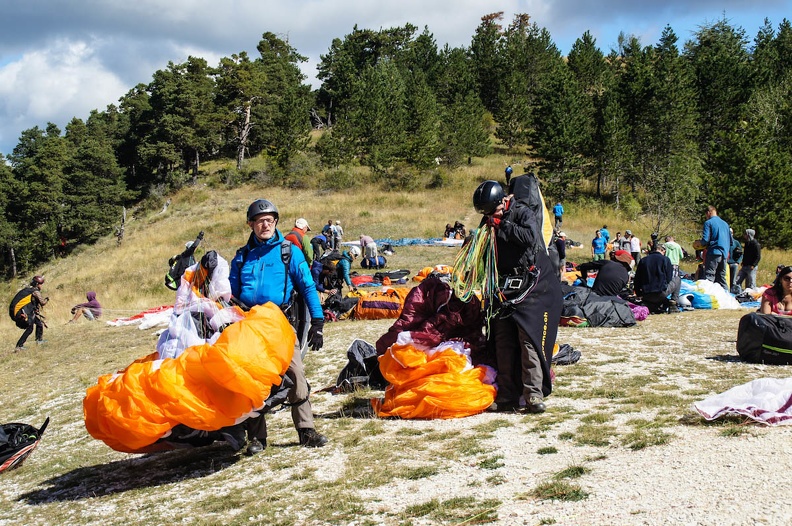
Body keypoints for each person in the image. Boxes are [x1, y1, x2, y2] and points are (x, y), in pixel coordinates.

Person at [229, 199, 328, 454]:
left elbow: (307, 286)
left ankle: (306, 430)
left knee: (295, 374)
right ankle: (257, 438)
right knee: (252, 380)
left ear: (276, 222)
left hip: (281, 325)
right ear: (250, 224)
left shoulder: (289, 251)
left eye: (270, 220)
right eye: (260, 220)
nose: (265, 224)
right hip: (250, 327)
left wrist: (317, 322)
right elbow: (228, 294)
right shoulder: (241, 257)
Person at [474, 179, 562, 414]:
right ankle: (507, 396)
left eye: (494, 211)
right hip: (501, 288)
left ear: (503, 201)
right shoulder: (490, 219)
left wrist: (502, 225)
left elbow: (529, 238)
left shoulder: (523, 213)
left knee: (528, 340)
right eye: (488, 213)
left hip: (528, 287)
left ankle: (533, 394)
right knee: (503, 342)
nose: (491, 215)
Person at [634, 243, 677, 314]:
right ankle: (673, 302)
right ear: (662, 250)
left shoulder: (643, 260)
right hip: (661, 293)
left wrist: (639, 294)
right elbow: (669, 278)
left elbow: (637, 279)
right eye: (664, 252)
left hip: (646, 295)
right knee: (677, 279)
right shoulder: (665, 259)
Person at [11, 275, 49, 352]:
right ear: (37, 284)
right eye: (40, 284)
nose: (41, 286)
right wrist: (47, 299)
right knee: (30, 328)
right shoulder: (35, 291)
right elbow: (42, 302)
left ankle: (39, 340)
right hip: (24, 313)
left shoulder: (28, 290)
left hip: (26, 311)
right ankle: (19, 346)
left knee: (39, 323)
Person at [700, 205, 731, 291]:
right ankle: (727, 297)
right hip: (724, 253)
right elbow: (730, 241)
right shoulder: (725, 224)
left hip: (714, 252)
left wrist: (699, 243)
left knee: (709, 276)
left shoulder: (708, 223)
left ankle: (708, 298)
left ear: (708, 213)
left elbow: (705, 240)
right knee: (721, 278)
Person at [663, 236, 684, 304]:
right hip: (675, 263)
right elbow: (681, 256)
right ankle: (674, 296)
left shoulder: (664, 245)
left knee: (666, 279)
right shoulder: (677, 246)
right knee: (675, 280)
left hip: (666, 263)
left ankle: (666, 292)